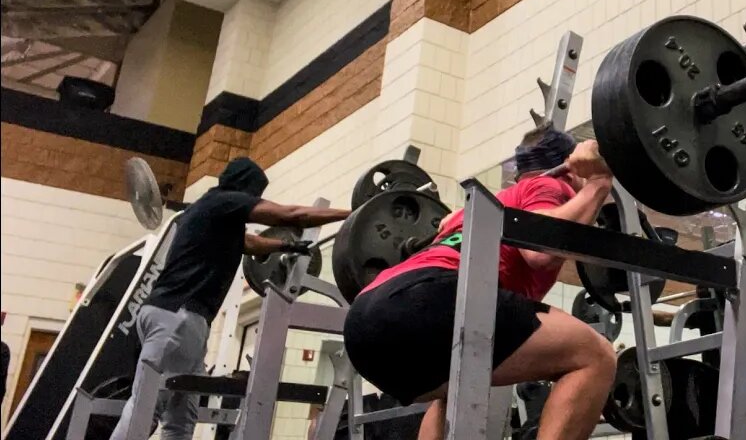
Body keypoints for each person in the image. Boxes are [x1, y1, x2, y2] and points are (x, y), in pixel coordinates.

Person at [343, 129, 618, 440]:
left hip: (364, 320)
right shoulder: (550, 184)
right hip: (426, 298)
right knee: (594, 356)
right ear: (570, 167)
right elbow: (539, 252)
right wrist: (597, 183)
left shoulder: (490, 205)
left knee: (457, 386)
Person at [111, 157, 350, 440]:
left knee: (180, 418)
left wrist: (286, 246)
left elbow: (250, 243)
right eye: (255, 194)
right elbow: (293, 214)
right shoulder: (224, 202)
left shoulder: (206, 212)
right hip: (178, 316)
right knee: (147, 405)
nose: (255, 199)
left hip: (178, 318)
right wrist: (354, 213)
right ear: (245, 188)